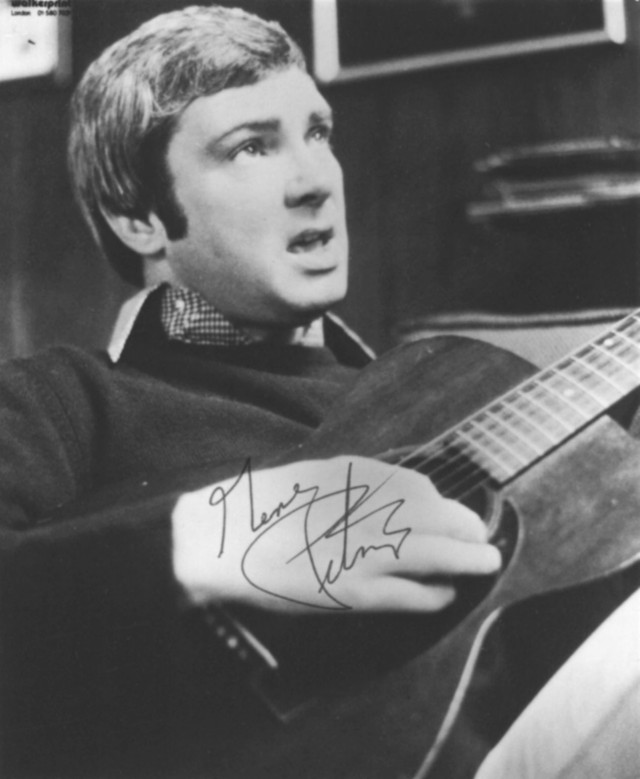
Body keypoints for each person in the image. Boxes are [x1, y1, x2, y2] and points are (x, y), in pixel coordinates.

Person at [0, 4, 636, 778]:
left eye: (318, 133)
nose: (313, 181)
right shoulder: (60, 401)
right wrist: (224, 539)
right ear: (138, 217)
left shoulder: (449, 383)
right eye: (251, 146)